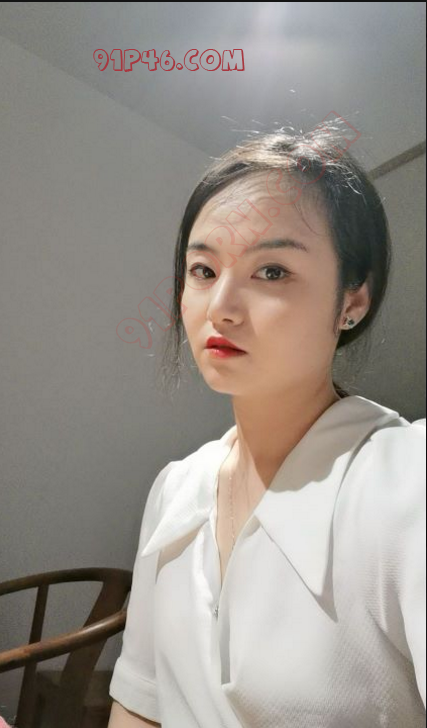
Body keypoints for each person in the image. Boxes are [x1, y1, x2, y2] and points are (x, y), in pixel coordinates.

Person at [108, 124, 426, 727]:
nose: (220, 306)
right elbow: (138, 704)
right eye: (203, 270)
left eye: (272, 271)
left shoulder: (407, 481)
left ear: (353, 299)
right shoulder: (176, 490)